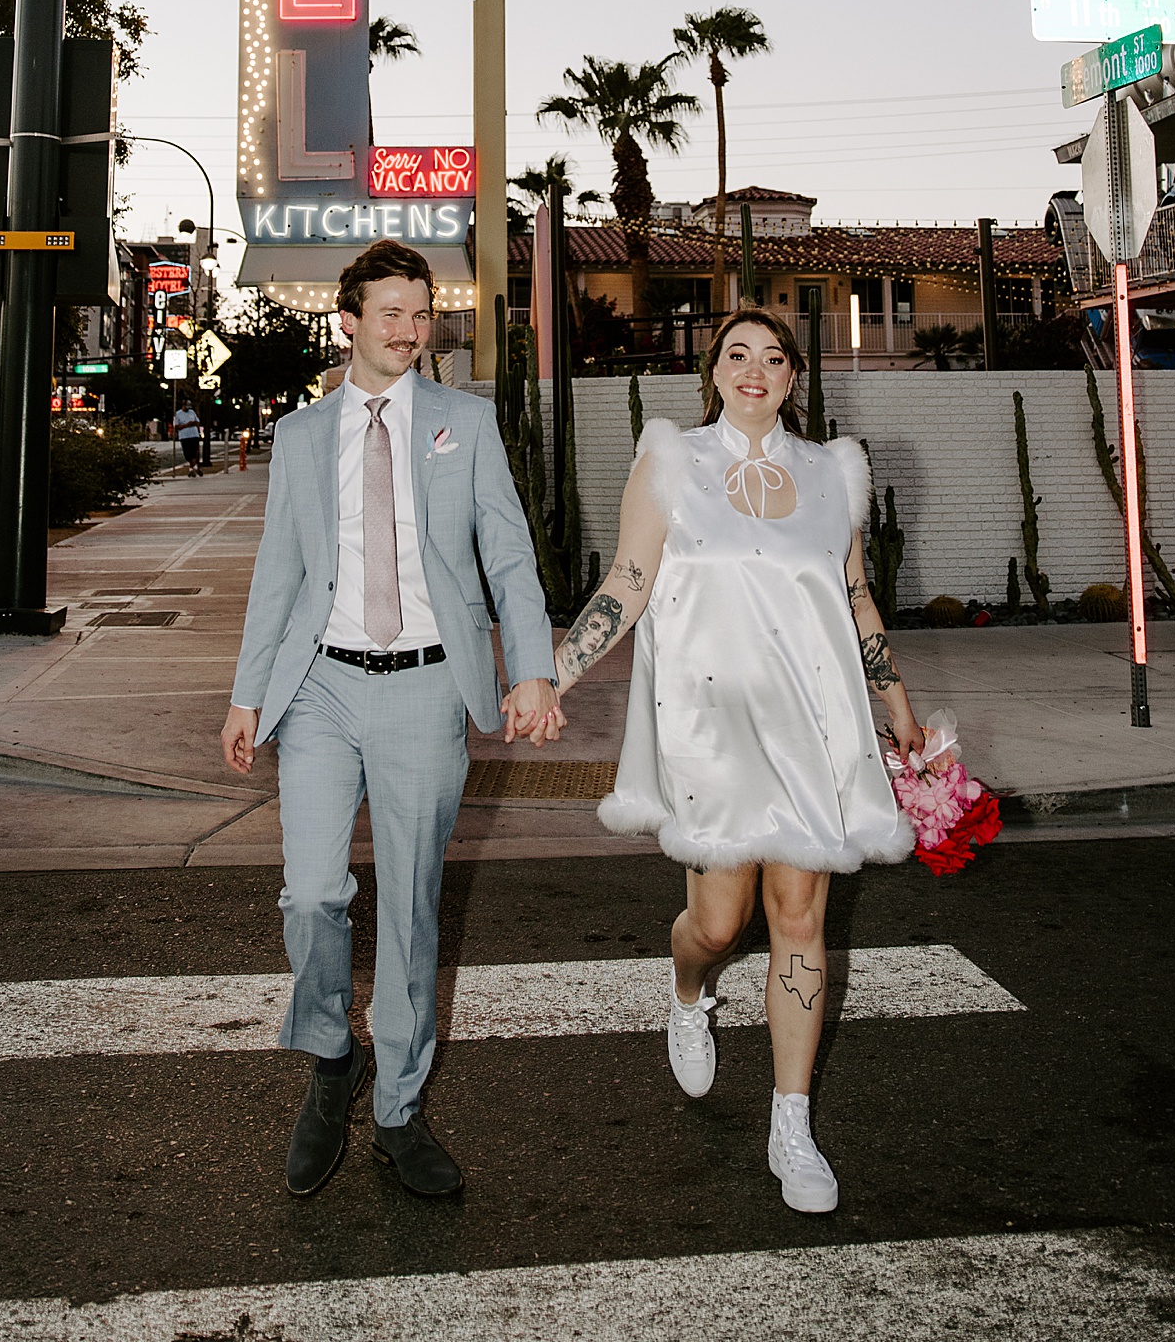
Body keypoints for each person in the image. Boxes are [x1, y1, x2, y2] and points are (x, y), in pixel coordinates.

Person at [551, 307, 924, 1217]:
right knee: (717, 925)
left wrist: (899, 708)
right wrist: (550, 676)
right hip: (710, 727)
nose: (754, 370)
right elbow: (626, 586)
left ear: (795, 376)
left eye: (773, 358)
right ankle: (688, 991)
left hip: (811, 726)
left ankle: (791, 1125)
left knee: (799, 917)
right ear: (713, 372)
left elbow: (857, 598)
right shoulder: (674, 463)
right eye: (736, 355)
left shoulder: (834, 474)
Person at [221, 240, 562, 1201]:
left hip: (423, 689)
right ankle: (333, 1053)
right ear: (349, 321)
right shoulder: (299, 436)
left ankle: (399, 1109)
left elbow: (508, 556)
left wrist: (529, 670)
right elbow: (278, 577)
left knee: (411, 912)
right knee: (311, 893)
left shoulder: (468, 423)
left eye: (424, 314)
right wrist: (249, 694)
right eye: (393, 314)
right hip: (321, 688)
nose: (413, 332)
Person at [173, 399, 203, 475]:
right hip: (184, 436)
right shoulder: (178, 414)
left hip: (194, 434)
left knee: (195, 453)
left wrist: (197, 427)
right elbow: (176, 426)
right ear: (183, 406)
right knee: (188, 454)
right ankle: (195, 467)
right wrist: (187, 425)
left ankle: (191, 469)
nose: (188, 409)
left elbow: (197, 421)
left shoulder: (192, 412)